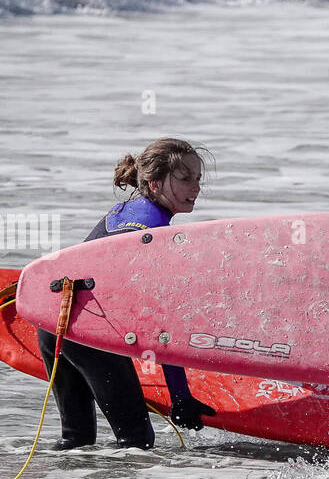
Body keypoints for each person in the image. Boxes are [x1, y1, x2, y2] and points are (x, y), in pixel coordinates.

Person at [38, 138, 215, 450]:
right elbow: (163, 323)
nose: (196, 187)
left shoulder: (121, 211)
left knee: (75, 439)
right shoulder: (155, 234)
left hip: (53, 324)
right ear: (154, 183)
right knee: (136, 440)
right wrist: (180, 397)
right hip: (89, 334)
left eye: (198, 179)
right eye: (185, 178)